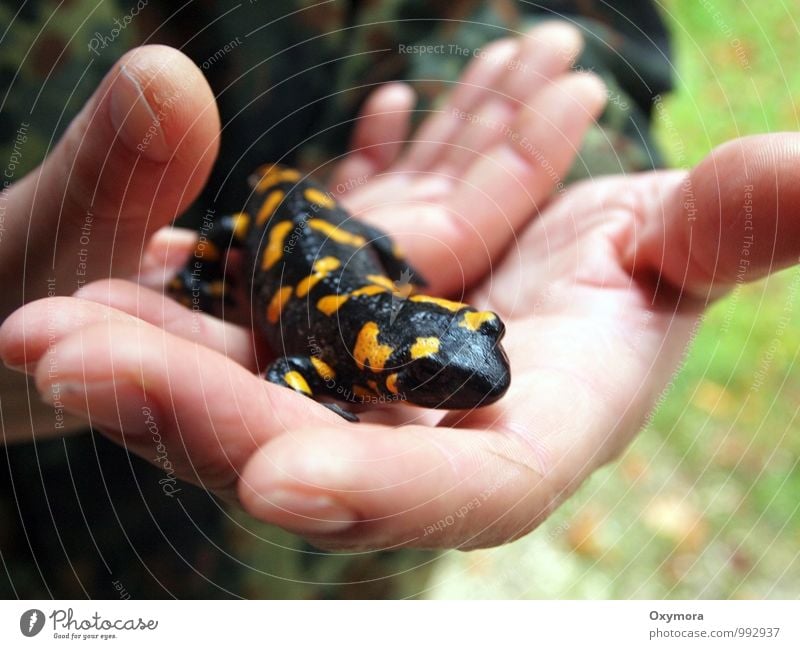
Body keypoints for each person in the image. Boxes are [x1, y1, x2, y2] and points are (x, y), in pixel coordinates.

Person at [0, 1, 794, 598]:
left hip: (334, 242)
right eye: (436, 376)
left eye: (481, 334)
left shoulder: (377, 336)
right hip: (64, 540)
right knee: (242, 228)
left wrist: (575, 174)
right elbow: (284, 377)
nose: (477, 377)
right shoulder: (340, 354)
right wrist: (220, 285)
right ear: (389, 370)